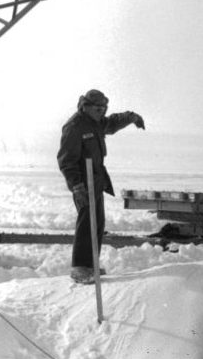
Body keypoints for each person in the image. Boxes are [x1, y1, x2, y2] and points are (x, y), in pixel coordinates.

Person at [57, 88, 145, 283]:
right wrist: (76, 186)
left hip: (96, 180)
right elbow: (66, 160)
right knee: (87, 223)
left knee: (97, 224)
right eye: (97, 108)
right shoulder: (75, 126)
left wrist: (131, 117)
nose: (101, 111)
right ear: (85, 106)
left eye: (104, 108)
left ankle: (91, 266)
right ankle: (80, 268)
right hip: (83, 182)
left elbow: (112, 123)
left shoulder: (95, 122)